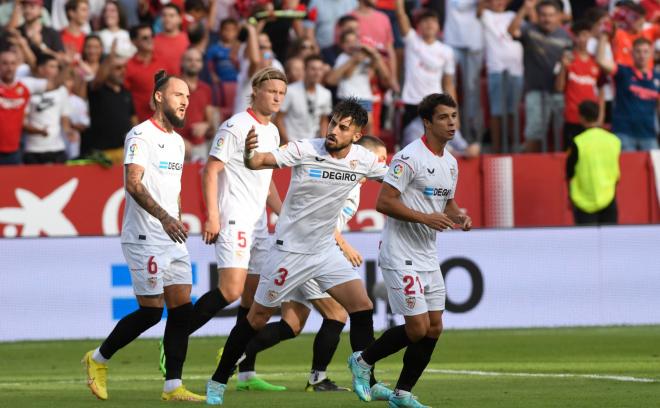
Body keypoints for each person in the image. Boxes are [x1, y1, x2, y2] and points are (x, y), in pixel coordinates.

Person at [205, 98, 389, 405]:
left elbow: (398, 179)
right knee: (257, 317)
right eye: (333, 123)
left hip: (324, 252)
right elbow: (258, 162)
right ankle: (218, 380)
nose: (334, 131)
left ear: (356, 136)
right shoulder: (306, 149)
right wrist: (250, 152)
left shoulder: (363, 160)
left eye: (343, 128)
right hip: (289, 252)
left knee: (362, 307)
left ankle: (365, 374)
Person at [82, 70, 205, 402]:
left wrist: (176, 219)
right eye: (179, 95)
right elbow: (134, 183)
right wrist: (165, 219)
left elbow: (173, 190)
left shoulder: (178, 142)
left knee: (181, 310)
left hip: (171, 235)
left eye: (188, 97)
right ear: (159, 97)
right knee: (151, 311)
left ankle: (173, 386)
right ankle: (97, 359)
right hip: (144, 236)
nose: (186, 102)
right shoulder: (139, 136)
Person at [348, 93, 472, 408]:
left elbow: (447, 202)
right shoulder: (409, 157)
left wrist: (459, 215)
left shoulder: (451, 162)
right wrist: (424, 217)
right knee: (416, 327)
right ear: (427, 122)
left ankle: (402, 393)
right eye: (444, 117)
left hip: (427, 255)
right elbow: (384, 202)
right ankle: (362, 361)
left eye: (454, 117)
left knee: (434, 326)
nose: (451, 123)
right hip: (400, 252)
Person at [182, 68, 287, 385]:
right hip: (233, 217)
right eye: (271, 91)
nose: (277, 98)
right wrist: (212, 215)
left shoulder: (273, 133)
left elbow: (267, 183)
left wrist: (284, 214)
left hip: (258, 224)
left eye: (281, 94)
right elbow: (210, 171)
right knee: (230, 289)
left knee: (254, 299)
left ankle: (246, 372)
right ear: (255, 90)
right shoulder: (234, 126)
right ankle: (175, 335)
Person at [509, 0, 572, 152]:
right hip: (535, 91)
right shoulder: (529, 30)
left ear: (559, 16)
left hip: (560, 93)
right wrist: (524, 9)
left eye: (551, 15)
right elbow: (512, 31)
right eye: (543, 15)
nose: (547, 19)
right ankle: (527, 167)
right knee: (534, 134)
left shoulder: (566, 37)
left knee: (562, 133)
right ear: (538, 16)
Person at [394, 0, 456, 142]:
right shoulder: (412, 41)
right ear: (418, 27)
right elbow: (400, 14)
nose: (429, 24)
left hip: (436, 106)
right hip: (412, 104)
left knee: (438, 147)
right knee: (410, 148)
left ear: (439, 26)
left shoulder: (446, 51)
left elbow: (449, 84)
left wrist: (454, 113)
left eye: (433, 21)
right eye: (425, 21)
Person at [597, 36, 660, 151]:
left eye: (646, 52)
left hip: (649, 135)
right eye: (638, 51)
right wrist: (604, 35)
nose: (642, 55)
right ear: (632, 53)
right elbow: (601, 61)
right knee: (627, 168)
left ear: (651, 54)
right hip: (624, 133)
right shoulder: (623, 72)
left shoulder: (657, 78)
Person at [478, 0, 524, 153]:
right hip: (496, 67)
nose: (499, 2)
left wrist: (527, 7)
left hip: (516, 68)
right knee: (496, 111)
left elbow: (529, 22)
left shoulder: (513, 15)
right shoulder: (485, 14)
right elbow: (478, 8)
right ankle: (497, 148)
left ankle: (513, 147)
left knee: (513, 111)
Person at [326, 30, 392, 135]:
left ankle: (369, 148)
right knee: (348, 126)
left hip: (364, 97)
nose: (351, 45)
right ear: (342, 45)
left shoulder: (366, 57)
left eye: (354, 41)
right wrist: (354, 60)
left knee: (369, 124)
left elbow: (384, 75)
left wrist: (374, 54)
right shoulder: (343, 57)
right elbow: (345, 75)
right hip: (347, 96)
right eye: (348, 42)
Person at [566, 100, 621, 225]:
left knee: (587, 243)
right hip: (608, 195)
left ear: (581, 118)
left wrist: (570, 196)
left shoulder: (578, 142)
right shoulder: (614, 140)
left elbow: (569, 172)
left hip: (583, 201)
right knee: (610, 241)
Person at [555, 19, 604, 147]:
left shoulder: (596, 62)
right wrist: (563, 67)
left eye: (587, 35)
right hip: (572, 118)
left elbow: (602, 92)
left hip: (592, 120)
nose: (584, 39)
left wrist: (600, 117)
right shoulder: (567, 59)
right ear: (574, 37)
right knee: (571, 157)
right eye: (580, 35)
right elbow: (559, 88)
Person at [81, 53, 137, 162]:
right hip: (102, 152)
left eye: (124, 67)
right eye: (118, 68)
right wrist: (109, 58)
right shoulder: (96, 90)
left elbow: (133, 118)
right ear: (107, 70)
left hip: (124, 150)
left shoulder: (126, 92)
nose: (123, 71)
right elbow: (96, 80)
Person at [444, 0, 484, 146]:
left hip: (474, 42)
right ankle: (453, 130)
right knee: (449, 87)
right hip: (453, 40)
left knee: (472, 90)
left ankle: (473, 132)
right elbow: (459, 4)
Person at [22, 54, 73, 164]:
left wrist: (69, 132)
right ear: (41, 69)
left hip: (57, 148)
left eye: (57, 67)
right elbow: (23, 121)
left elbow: (64, 118)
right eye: (52, 66)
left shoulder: (62, 90)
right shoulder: (28, 87)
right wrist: (38, 131)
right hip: (33, 148)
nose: (56, 70)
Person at [0, 48, 48, 165]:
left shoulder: (26, 85)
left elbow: (52, 82)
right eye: (5, 63)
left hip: (16, 150)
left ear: (17, 66)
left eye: (12, 63)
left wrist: (66, 64)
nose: (9, 68)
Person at [275, 54, 332, 143]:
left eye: (320, 69)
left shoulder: (326, 94)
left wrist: (324, 141)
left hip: (314, 145)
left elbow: (323, 120)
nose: (317, 73)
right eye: (313, 69)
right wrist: (287, 142)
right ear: (305, 70)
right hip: (293, 143)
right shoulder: (290, 91)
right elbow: (279, 118)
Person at [179, 47, 215, 162]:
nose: (194, 63)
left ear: (202, 64)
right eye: (189, 60)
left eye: (197, 60)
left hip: (199, 146)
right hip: (176, 146)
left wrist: (205, 126)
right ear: (182, 62)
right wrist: (179, 141)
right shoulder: (173, 86)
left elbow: (211, 124)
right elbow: (163, 120)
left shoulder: (206, 89)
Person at [125, 23, 165, 122]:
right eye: (145, 38)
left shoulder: (164, 61)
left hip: (162, 122)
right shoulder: (128, 66)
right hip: (139, 124)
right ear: (134, 42)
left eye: (152, 36)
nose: (150, 40)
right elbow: (124, 99)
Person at [154, 4, 190, 76]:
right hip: (161, 85)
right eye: (164, 15)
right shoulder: (153, 41)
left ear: (180, 18)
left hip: (183, 84)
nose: (167, 19)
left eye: (171, 16)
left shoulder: (188, 40)